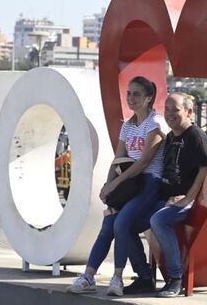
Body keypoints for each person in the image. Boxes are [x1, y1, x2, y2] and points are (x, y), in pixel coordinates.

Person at [66, 76, 168, 296]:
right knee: (107, 227)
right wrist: (108, 184)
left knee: (121, 224)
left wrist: (115, 185)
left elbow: (143, 163)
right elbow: (118, 158)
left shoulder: (155, 124)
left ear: (149, 97)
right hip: (128, 184)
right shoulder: (128, 126)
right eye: (129, 93)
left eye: (137, 94)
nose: (131, 98)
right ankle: (89, 276)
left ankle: (118, 278)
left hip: (148, 183)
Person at [149, 92, 207, 297]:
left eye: (175, 110)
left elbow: (206, 170)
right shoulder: (170, 137)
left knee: (159, 221)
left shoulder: (196, 136)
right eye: (166, 109)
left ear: (189, 112)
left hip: (186, 202)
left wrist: (188, 198)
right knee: (125, 221)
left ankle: (175, 279)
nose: (169, 114)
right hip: (166, 198)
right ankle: (143, 276)